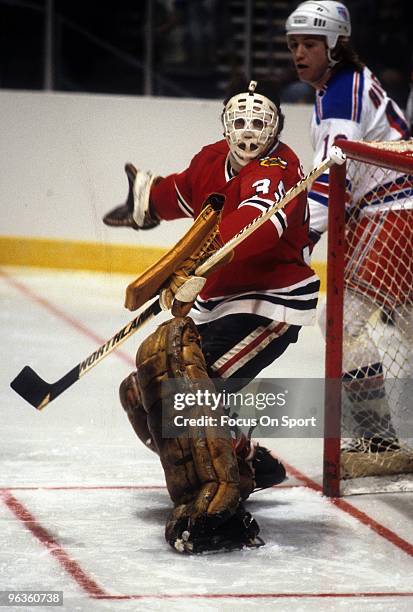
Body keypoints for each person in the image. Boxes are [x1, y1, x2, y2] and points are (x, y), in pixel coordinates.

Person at [103, 78, 320, 551]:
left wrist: (199, 264)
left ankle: (217, 504)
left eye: (259, 122)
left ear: (277, 126)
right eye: (239, 121)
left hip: (271, 302)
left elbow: (255, 227)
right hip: (218, 302)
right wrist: (146, 201)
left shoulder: (278, 167)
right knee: (143, 392)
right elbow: (182, 192)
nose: (248, 131)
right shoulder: (209, 159)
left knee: (189, 392)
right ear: (225, 125)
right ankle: (242, 458)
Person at [285, 1, 413, 477]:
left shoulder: (340, 93)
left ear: (336, 45)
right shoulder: (335, 87)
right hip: (393, 212)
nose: (299, 52)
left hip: (395, 213)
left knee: (341, 319)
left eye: (310, 44)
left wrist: (297, 240)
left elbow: (328, 179)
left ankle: (379, 441)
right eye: (294, 44)